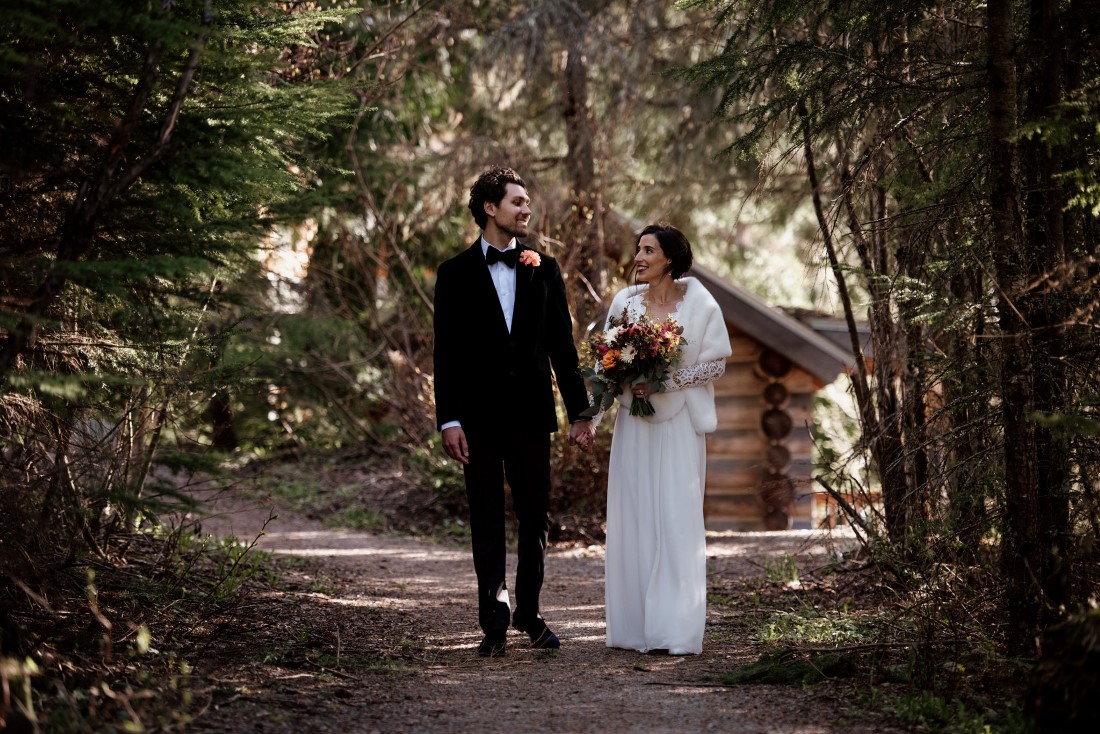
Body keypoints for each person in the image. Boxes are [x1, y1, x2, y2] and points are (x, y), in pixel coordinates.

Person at [433, 166, 596, 658]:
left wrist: (580, 411)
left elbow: (563, 348)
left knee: (535, 517)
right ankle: (494, 622)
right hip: (477, 421)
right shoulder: (453, 273)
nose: (527, 209)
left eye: (527, 202)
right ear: (490, 208)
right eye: (517, 202)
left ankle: (530, 612)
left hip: (530, 416)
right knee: (486, 520)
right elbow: (447, 354)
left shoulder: (544, 269)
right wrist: (449, 419)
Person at [601, 224, 732, 655]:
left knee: (676, 518)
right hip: (634, 425)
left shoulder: (701, 303)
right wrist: (592, 419)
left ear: (670, 259)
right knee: (635, 516)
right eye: (638, 249)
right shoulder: (624, 303)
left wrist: (665, 382)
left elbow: (715, 365)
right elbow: (606, 365)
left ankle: (674, 629)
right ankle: (634, 628)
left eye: (648, 250)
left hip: (679, 426)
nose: (638, 257)